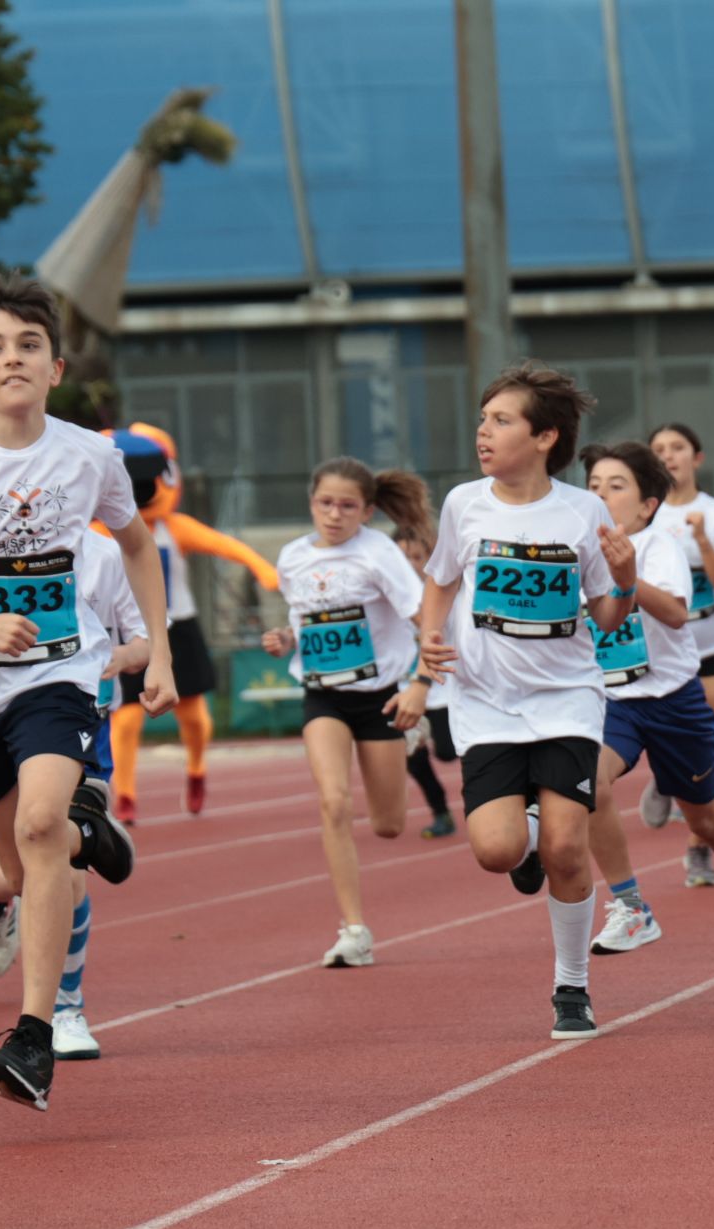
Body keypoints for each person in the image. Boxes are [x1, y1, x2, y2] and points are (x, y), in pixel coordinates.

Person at [409, 362, 643, 1041]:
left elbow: (604, 615)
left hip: (566, 698)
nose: (484, 432)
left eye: (501, 421)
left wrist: (625, 580)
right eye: (483, 420)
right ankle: (529, 835)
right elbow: (441, 580)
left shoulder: (582, 511)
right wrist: (429, 638)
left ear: (545, 437)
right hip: (483, 703)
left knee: (572, 847)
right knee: (495, 850)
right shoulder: (464, 504)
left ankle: (571, 985)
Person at [0, 271, 176, 1111]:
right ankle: (84, 832)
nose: (11, 360)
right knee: (22, 871)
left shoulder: (90, 456)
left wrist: (159, 652)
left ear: (56, 367)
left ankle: (33, 1037)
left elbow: (138, 547)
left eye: (28, 345)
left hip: (56, 677)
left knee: (35, 826)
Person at [581, 440, 714, 958]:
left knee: (703, 818)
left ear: (648, 505)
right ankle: (631, 906)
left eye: (615, 486)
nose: (601, 496)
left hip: (673, 701)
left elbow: (672, 611)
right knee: (586, 780)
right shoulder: (578, 550)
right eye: (594, 486)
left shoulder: (658, 544)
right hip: (611, 703)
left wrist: (627, 579)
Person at [0, 528, 151, 1062]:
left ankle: (64, 1008)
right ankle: (84, 839)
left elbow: (147, 636)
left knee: (52, 857)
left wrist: (118, 656)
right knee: (26, 872)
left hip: (73, 725)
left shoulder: (103, 554)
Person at [264, 459, 433, 968]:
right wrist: (286, 638)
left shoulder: (379, 553)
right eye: (325, 503)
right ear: (311, 502)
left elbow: (430, 624)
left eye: (347, 506)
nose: (334, 515)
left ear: (368, 510)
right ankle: (354, 929)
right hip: (323, 696)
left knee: (387, 825)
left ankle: (410, 734)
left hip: (379, 696)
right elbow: (305, 621)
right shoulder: (293, 557)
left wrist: (419, 686)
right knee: (333, 802)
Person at [101, 422, 278, 822]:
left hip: (179, 626)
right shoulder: (101, 530)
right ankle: (125, 795)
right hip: (130, 633)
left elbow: (225, 545)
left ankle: (197, 771)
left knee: (194, 717)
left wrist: (264, 570)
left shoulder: (174, 528)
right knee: (126, 719)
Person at [647, 424, 714, 886]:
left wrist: (704, 540)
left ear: (698, 458)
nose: (669, 457)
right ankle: (667, 772)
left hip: (709, 647)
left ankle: (697, 851)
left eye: (677, 448)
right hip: (655, 651)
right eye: (659, 450)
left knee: (708, 745)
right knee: (665, 738)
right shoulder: (643, 516)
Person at [393, 524, 457, 839]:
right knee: (412, 758)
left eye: (417, 557)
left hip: (445, 690)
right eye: (403, 558)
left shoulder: (445, 590)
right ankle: (441, 813)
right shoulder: (382, 590)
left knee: (447, 751)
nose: (411, 565)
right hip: (404, 690)